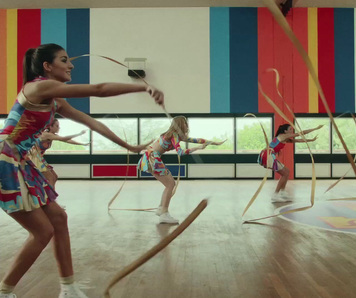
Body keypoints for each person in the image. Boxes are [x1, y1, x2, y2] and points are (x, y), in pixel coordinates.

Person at [0, 43, 164, 298]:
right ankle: (5, 290)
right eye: (64, 60)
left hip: (20, 161)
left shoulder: (55, 100)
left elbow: (93, 123)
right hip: (5, 160)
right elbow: (98, 90)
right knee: (42, 232)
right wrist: (144, 86)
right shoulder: (39, 87)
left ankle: (68, 288)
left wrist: (129, 146)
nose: (71, 65)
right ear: (47, 66)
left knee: (58, 220)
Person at [138, 116, 225, 224]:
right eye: (184, 123)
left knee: (169, 184)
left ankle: (161, 209)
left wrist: (213, 142)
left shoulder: (177, 136)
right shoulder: (174, 135)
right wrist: (197, 148)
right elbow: (180, 152)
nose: (186, 125)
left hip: (149, 157)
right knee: (170, 184)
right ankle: (164, 213)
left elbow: (196, 140)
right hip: (152, 158)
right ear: (180, 124)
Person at [258, 123, 323, 203]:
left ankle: (282, 192)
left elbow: (298, 140)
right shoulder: (283, 136)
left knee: (286, 172)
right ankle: (275, 195)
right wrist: (315, 128)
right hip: (268, 155)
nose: (292, 131)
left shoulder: (285, 138)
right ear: (285, 131)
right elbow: (301, 133)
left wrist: (311, 140)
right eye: (290, 129)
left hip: (268, 154)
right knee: (285, 173)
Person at [28, 118, 89, 190]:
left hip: (39, 158)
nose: (58, 128)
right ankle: (50, 198)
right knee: (50, 177)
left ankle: (50, 195)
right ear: (50, 127)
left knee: (54, 176)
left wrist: (82, 144)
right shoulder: (46, 135)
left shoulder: (52, 135)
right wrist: (79, 134)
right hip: (34, 158)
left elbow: (67, 140)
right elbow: (64, 138)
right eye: (57, 126)